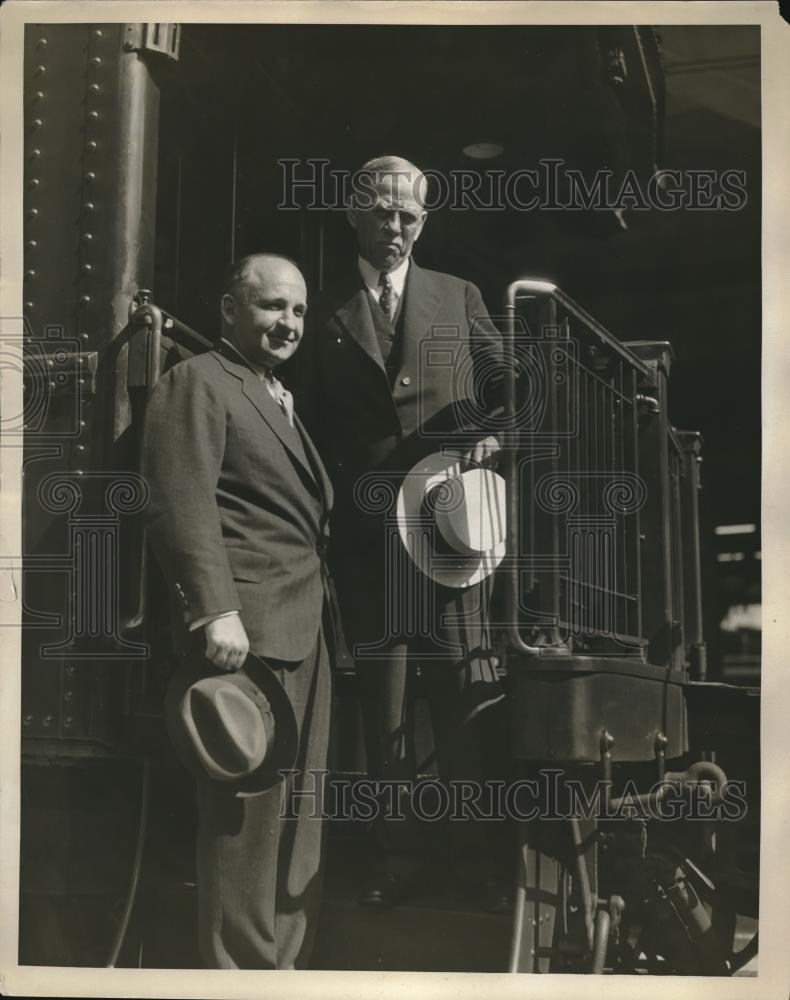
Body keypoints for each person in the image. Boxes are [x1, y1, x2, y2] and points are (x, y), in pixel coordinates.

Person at [291, 155, 511, 911]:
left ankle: (469, 854)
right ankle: (397, 855)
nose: (394, 227)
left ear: (424, 222)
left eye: (408, 216)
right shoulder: (318, 311)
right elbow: (308, 428)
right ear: (355, 213)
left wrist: (491, 439)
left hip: (447, 526)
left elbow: (506, 388)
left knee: (461, 692)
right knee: (380, 704)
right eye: (381, 212)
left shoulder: (460, 295)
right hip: (364, 535)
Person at [141, 253, 334, 969]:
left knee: (294, 829)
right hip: (246, 637)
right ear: (230, 310)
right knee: (245, 828)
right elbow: (178, 501)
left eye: (299, 312)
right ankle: (239, 981)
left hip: (304, 631)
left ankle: (279, 972)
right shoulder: (198, 382)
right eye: (272, 306)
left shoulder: (275, 395)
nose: (288, 323)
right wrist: (213, 610)